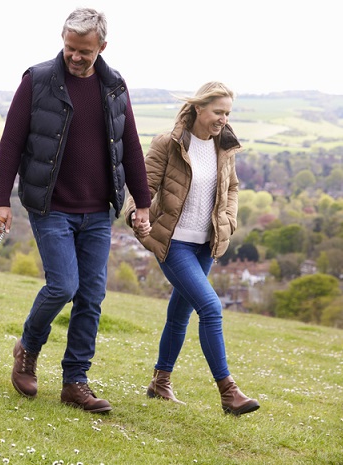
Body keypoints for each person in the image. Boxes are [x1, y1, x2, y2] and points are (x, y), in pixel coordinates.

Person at [0, 7, 151, 414]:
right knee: (63, 286)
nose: (75, 57)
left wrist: (143, 203)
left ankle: (75, 382)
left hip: (98, 210)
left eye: (84, 51)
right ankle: (27, 348)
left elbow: (129, 146)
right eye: (69, 48)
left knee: (92, 296)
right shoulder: (38, 79)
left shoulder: (114, 86)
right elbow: (11, 142)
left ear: (102, 47)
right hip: (51, 206)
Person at [123, 81, 260, 416]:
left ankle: (160, 381)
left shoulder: (223, 147)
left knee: (180, 314)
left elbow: (232, 188)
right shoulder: (167, 144)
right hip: (173, 243)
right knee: (211, 308)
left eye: (227, 113)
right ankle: (229, 392)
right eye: (218, 112)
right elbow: (145, 185)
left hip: (205, 245)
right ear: (199, 108)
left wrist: (228, 220)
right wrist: (134, 214)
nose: (223, 119)